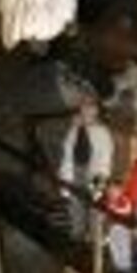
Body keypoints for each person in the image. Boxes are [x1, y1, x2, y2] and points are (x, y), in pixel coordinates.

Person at [58, 99, 114, 238]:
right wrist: (63, 170)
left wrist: (102, 176)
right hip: (75, 170)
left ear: (95, 112)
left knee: (94, 205)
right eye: (83, 109)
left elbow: (106, 156)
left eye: (89, 109)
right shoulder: (74, 129)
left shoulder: (102, 131)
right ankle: (77, 234)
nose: (85, 112)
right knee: (76, 204)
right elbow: (67, 151)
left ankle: (94, 237)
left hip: (95, 172)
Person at [103, 180, 134, 273]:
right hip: (113, 228)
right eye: (110, 190)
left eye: (114, 190)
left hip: (123, 227)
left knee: (123, 246)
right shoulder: (109, 201)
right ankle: (118, 267)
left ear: (120, 190)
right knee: (114, 246)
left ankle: (126, 267)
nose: (111, 192)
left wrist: (114, 209)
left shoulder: (124, 200)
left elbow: (127, 210)